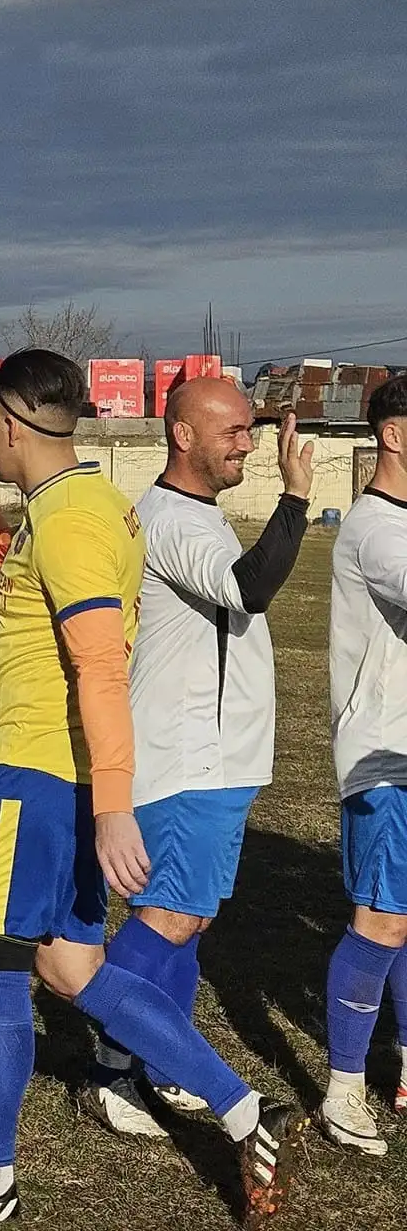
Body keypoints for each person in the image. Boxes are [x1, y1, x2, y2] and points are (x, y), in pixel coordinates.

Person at [0, 350, 299, 1221]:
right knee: (71, 967)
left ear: (10, 424)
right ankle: (245, 1111)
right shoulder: (88, 503)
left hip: (37, 775)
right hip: (64, 781)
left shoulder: (71, 521)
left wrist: (114, 806)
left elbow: (101, 667)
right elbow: (4, 550)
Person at [81, 382, 312, 1140]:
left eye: (249, 430)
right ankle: (111, 1067)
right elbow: (249, 589)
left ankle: (162, 1058)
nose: (248, 443)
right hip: (187, 761)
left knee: (192, 918)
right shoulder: (171, 519)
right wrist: (295, 499)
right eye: (233, 431)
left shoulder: (198, 513)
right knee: (170, 916)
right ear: (182, 435)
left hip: (218, 760)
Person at [320, 374, 407, 1153]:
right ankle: (343, 1089)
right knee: (381, 919)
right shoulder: (375, 529)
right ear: (393, 434)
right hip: (385, 757)